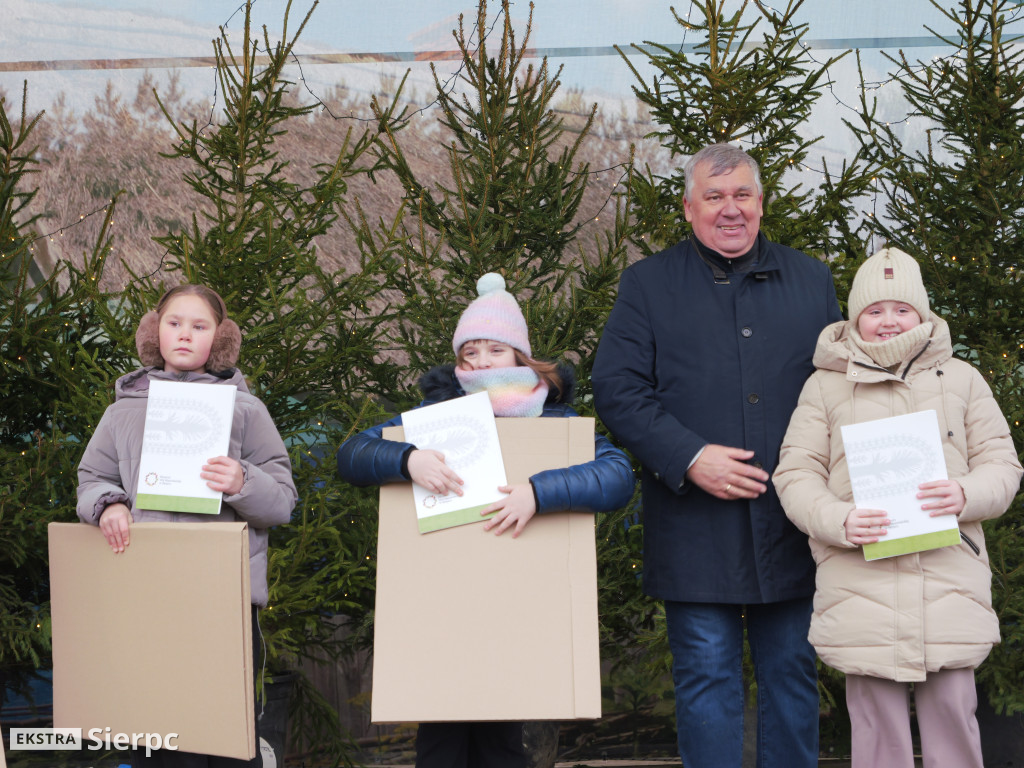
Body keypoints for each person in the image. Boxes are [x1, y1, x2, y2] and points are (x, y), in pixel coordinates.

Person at [591, 142, 842, 768]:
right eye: (714, 196)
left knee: (791, 675)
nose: (730, 210)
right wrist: (690, 455)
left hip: (792, 523)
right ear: (688, 207)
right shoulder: (647, 283)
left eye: (742, 196)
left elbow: (844, 386)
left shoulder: (812, 279)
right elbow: (617, 389)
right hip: (693, 526)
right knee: (705, 681)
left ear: (761, 202)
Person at [336, 272, 635, 768]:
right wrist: (407, 459)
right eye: (468, 353)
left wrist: (539, 493)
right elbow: (353, 453)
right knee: (441, 740)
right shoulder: (435, 418)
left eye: (493, 350)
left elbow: (616, 475)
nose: (479, 363)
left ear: (520, 355)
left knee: (502, 742)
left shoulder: (555, 423)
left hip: (519, 603)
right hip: (444, 605)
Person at [774, 247, 1022, 768]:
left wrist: (965, 494)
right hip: (859, 585)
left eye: (902, 309)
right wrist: (839, 520)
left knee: (955, 714)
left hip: (949, 583)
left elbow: (1003, 465)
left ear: (923, 314)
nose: (889, 321)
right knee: (875, 729)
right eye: (874, 310)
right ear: (855, 317)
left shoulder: (963, 379)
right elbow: (796, 474)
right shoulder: (823, 386)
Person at [77, 284, 297, 768]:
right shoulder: (122, 413)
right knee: (157, 732)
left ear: (219, 340)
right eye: (174, 323)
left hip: (224, 598)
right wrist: (107, 504)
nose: (184, 334)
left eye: (200, 326)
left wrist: (242, 480)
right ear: (155, 332)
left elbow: (282, 501)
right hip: (146, 595)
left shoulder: (247, 411)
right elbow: (92, 478)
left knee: (226, 734)